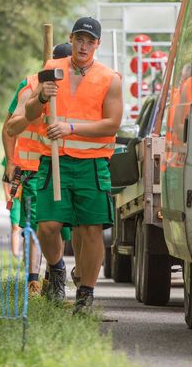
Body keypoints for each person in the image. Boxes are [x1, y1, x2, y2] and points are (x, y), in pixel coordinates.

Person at [25, 17, 123, 314]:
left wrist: (70, 127)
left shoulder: (110, 78)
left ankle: (85, 295)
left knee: (91, 229)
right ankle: (56, 270)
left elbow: (112, 124)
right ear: (71, 38)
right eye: (79, 39)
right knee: (48, 226)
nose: (83, 45)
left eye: (89, 41)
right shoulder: (52, 71)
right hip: (54, 161)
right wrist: (42, 95)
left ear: (97, 45)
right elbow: (30, 112)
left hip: (92, 165)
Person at [5, 42, 73, 296]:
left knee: (60, 227)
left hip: (64, 166)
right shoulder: (31, 85)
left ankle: (50, 278)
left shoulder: (77, 89)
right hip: (34, 167)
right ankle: (33, 280)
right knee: (35, 225)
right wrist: (10, 162)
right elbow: (9, 126)